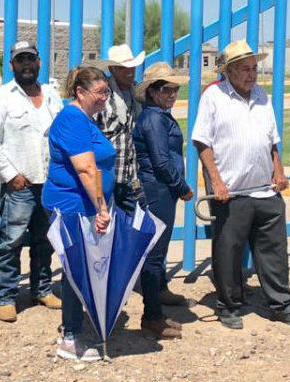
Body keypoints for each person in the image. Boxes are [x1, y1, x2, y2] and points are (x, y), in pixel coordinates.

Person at [191, 40, 290, 330]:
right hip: (231, 192)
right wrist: (216, 182)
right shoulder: (214, 97)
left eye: (254, 68)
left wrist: (279, 172)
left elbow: (271, 139)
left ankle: (281, 305)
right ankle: (228, 306)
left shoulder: (262, 96)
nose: (251, 74)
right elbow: (201, 141)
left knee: (274, 251)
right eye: (245, 69)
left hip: (265, 189)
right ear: (229, 72)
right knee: (228, 251)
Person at [0, 41, 63, 323]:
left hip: (50, 183)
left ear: (39, 63)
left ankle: (41, 289)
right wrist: (9, 174)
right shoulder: (2, 97)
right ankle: (6, 296)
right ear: (12, 65)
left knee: (45, 241)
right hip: (20, 185)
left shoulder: (52, 95)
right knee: (10, 241)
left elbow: (61, 132)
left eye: (30, 59)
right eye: (20, 60)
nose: (26, 65)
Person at [43, 66, 117, 362]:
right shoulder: (73, 119)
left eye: (106, 93)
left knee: (82, 269)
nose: (104, 99)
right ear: (80, 92)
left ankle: (76, 330)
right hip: (72, 207)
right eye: (99, 93)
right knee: (75, 270)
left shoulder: (85, 119)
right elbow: (86, 168)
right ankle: (70, 337)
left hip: (83, 206)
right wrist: (101, 207)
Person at [132, 63, 193, 338]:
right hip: (157, 190)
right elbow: (160, 161)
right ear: (153, 92)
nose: (172, 94)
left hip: (160, 189)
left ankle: (157, 303)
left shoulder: (157, 115)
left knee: (157, 253)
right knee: (154, 256)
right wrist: (182, 187)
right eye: (167, 89)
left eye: (175, 89)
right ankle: (152, 316)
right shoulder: (155, 119)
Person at [94, 43, 146, 213]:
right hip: (107, 176)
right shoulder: (102, 95)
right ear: (113, 69)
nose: (129, 71)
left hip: (130, 176)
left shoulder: (137, 93)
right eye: (123, 68)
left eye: (131, 67)